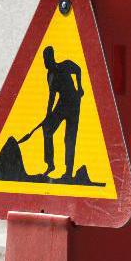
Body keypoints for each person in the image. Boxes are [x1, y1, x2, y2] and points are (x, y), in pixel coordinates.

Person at [40, 46, 83, 179]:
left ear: (51, 58)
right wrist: (48, 114)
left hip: (73, 104)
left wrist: (79, 86)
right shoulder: (50, 76)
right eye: (44, 60)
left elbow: (78, 69)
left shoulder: (64, 66)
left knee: (69, 138)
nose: (45, 63)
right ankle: (50, 164)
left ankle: (68, 171)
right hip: (62, 103)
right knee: (47, 128)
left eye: (46, 59)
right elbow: (52, 95)